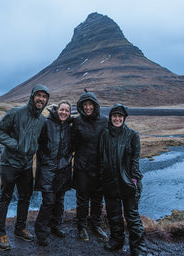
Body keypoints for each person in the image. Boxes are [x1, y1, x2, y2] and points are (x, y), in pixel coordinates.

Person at [0, 84, 50, 251]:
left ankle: (20, 228)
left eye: (44, 97)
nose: (41, 99)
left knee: (25, 197)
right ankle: (0, 234)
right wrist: (15, 145)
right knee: (5, 198)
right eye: (38, 95)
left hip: (26, 166)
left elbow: (41, 141)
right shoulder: (15, 113)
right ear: (32, 96)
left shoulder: (42, 120)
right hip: (10, 163)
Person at [98, 103, 147, 256]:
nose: (117, 118)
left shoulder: (133, 135)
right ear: (110, 117)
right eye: (114, 116)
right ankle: (116, 241)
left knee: (132, 216)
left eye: (120, 116)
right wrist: (102, 177)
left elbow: (135, 159)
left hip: (127, 182)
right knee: (114, 215)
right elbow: (100, 157)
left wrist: (134, 179)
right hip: (109, 181)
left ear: (124, 118)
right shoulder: (104, 135)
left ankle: (138, 248)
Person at [34, 101, 73, 246]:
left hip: (63, 170)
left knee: (59, 200)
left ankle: (56, 226)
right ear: (57, 110)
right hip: (47, 170)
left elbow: (72, 147)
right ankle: (41, 232)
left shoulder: (70, 127)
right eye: (62, 110)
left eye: (67, 111)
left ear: (69, 113)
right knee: (48, 201)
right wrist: (45, 162)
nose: (64, 113)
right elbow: (39, 144)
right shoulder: (46, 123)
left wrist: (67, 160)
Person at [72, 90, 108, 241]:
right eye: (84, 105)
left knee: (97, 199)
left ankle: (96, 225)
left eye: (90, 104)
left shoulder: (104, 121)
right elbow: (71, 144)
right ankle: (81, 227)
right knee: (82, 199)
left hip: (99, 167)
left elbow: (110, 143)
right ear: (81, 106)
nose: (87, 107)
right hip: (82, 168)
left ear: (95, 105)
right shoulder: (77, 122)